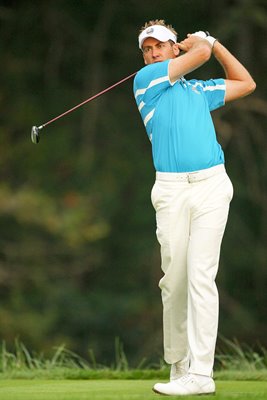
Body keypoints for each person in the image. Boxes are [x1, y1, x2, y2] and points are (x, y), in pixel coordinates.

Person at [133, 20, 256, 396]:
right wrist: (201, 44)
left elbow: (246, 83)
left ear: (174, 48)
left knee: (201, 276)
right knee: (174, 280)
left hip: (212, 186)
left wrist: (214, 44)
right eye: (147, 48)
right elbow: (199, 54)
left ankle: (201, 375)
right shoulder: (147, 81)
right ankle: (179, 366)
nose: (153, 53)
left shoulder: (200, 91)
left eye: (160, 46)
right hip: (171, 192)